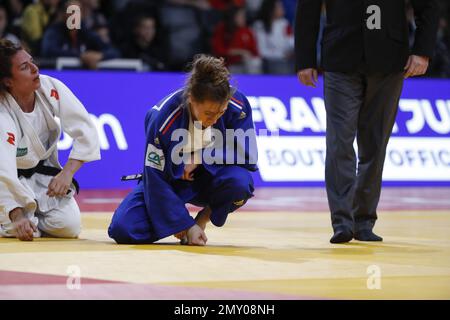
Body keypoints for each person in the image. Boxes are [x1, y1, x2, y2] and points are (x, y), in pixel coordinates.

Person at [295, 0, 439, 243]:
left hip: (390, 61)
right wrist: (305, 59)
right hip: (340, 59)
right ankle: (342, 221)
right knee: (339, 142)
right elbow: (307, 8)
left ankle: (363, 220)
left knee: (375, 145)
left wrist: (422, 51)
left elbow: (428, 7)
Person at [108, 55, 258, 246]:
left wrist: (202, 157)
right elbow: (155, 179)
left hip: (212, 181)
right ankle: (181, 220)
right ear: (191, 99)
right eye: (208, 114)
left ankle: (203, 218)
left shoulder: (238, 105)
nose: (214, 119)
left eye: (221, 112)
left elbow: (247, 155)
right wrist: (184, 224)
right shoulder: (162, 118)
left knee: (240, 182)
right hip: (172, 183)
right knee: (123, 229)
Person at [0, 39, 101, 241]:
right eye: (24, 67)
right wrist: (16, 215)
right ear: (8, 81)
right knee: (19, 226)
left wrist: (67, 173)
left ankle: (30, 220)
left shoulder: (49, 87)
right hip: (8, 182)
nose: (34, 69)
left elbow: (85, 129)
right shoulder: (3, 113)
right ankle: (15, 219)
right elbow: (3, 171)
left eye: (32, 62)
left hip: (42, 177)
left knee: (69, 226)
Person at [212, 5, 262, 74]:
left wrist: (248, 56)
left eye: (244, 16)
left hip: (247, 65)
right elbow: (219, 50)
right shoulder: (222, 29)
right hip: (227, 65)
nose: (244, 18)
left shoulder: (247, 31)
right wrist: (238, 52)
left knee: (256, 64)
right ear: (233, 17)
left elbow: (255, 52)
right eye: (241, 16)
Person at [253, 0, 294, 74]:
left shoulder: (284, 23)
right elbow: (262, 51)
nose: (282, 8)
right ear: (271, 9)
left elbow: (291, 42)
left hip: (286, 59)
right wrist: (282, 55)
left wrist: (291, 51)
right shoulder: (259, 26)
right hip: (270, 61)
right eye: (279, 7)